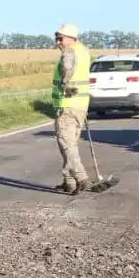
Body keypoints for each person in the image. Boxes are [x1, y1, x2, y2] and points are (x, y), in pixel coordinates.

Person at [51, 23, 92, 194]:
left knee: (66, 144)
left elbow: (67, 68)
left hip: (68, 105)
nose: (58, 42)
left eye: (60, 38)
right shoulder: (83, 50)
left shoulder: (69, 51)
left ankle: (82, 179)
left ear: (70, 38)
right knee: (70, 144)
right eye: (57, 38)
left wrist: (65, 83)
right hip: (80, 105)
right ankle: (69, 181)